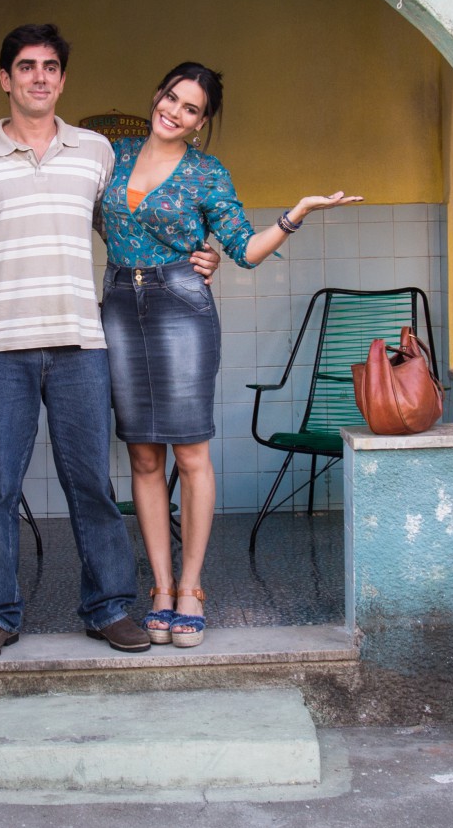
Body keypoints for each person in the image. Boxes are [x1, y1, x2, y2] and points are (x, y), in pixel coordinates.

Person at [0, 25, 217, 662]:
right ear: (5, 78)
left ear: (63, 79)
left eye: (51, 67)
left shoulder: (96, 152)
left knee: (89, 481)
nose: (39, 76)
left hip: (80, 345)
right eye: (26, 66)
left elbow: (135, 217)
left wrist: (200, 253)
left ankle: (109, 606)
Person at [99, 62, 360, 646]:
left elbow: (242, 249)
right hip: (117, 303)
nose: (175, 111)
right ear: (157, 95)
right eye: (170, 97)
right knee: (143, 457)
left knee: (189, 452)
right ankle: (160, 587)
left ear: (201, 122)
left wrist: (297, 214)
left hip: (181, 305)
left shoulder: (207, 173)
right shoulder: (111, 154)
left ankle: (191, 586)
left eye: (191, 109)